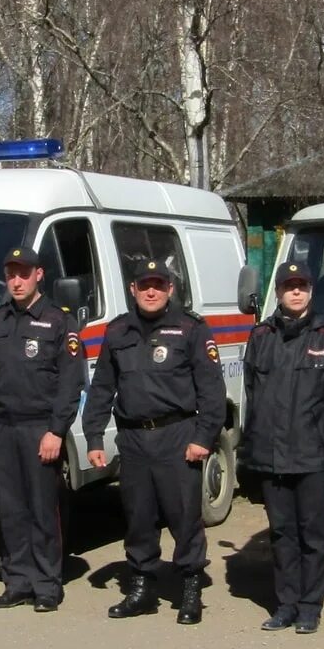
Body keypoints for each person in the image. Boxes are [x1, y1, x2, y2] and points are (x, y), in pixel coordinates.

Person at [82, 260, 226, 624]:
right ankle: (142, 587)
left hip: (177, 436)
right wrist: (95, 436)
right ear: (133, 289)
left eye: (158, 285)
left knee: (183, 516)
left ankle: (190, 590)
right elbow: (101, 388)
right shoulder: (118, 331)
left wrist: (203, 438)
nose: (151, 291)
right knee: (138, 516)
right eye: (144, 285)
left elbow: (211, 391)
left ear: (170, 289)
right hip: (133, 438)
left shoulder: (190, 329)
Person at [240, 261, 324, 634]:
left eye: (302, 285)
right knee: (282, 533)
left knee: (314, 535)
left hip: (313, 457)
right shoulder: (260, 336)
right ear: (278, 292)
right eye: (289, 286)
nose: (295, 292)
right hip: (271, 455)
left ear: (310, 290)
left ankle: (310, 607)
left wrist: (323, 436)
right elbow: (252, 393)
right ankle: (286, 604)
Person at [0, 245, 87, 612]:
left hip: (40, 428)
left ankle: (47, 585)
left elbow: (71, 382)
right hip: (1, 428)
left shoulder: (58, 321)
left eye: (24, 273)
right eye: (11, 274)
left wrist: (56, 430)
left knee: (42, 509)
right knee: (10, 510)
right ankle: (17, 582)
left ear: (40, 274)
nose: (17, 281)